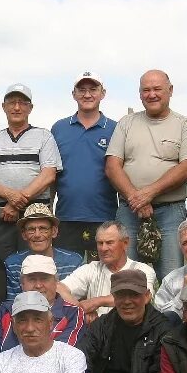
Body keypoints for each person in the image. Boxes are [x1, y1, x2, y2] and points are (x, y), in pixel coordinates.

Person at [105, 69, 187, 279]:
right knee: (125, 275)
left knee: (171, 276)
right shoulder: (126, 123)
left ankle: (168, 313)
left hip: (170, 213)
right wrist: (135, 198)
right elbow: (112, 166)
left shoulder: (185, 124)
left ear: (170, 90)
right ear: (140, 94)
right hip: (129, 210)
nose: (152, 94)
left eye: (157, 89)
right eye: (146, 90)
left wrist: (148, 194)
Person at [0, 83, 63, 258]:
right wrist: (10, 196)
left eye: (23, 103)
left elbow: (48, 174)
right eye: (12, 102)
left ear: (30, 108)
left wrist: (14, 203)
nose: (17, 107)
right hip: (1, 216)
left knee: (37, 264)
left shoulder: (44, 136)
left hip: (36, 216)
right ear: (3, 106)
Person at [51, 71, 119, 261]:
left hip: (104, 217)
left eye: (93, 89)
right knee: (68, 276)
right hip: (66, 217)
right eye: (82, 90)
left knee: (104, 274)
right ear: (74, 94)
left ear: (103, 93)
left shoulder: (116, 128)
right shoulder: (59, 128)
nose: (87, 95)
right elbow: (51, 174)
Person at [0, 255, 86, 372]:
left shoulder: (72, 313)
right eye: (32, 279)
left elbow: (60, 357)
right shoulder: (5, 310)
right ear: (22, 284)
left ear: (56, 283)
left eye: (44, 278)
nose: (38, 285)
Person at [56, 220, 157, 323]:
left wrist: (97, 301)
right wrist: (80, 310)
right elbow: (58, 288)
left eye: (109, 243)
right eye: (100, 243)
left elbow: (143, 297)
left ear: (125, 243)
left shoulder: (142, 270)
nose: (103, 248)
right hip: (97, 332)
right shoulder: (91, 269)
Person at [4, 204, 83, 299]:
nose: (37, 234)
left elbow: (78, 305)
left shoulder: (73, 262)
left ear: (54, 231)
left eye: (43, 229)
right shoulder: (13, 264)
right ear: (24, 234)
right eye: (31, 229)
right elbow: (12, 304)